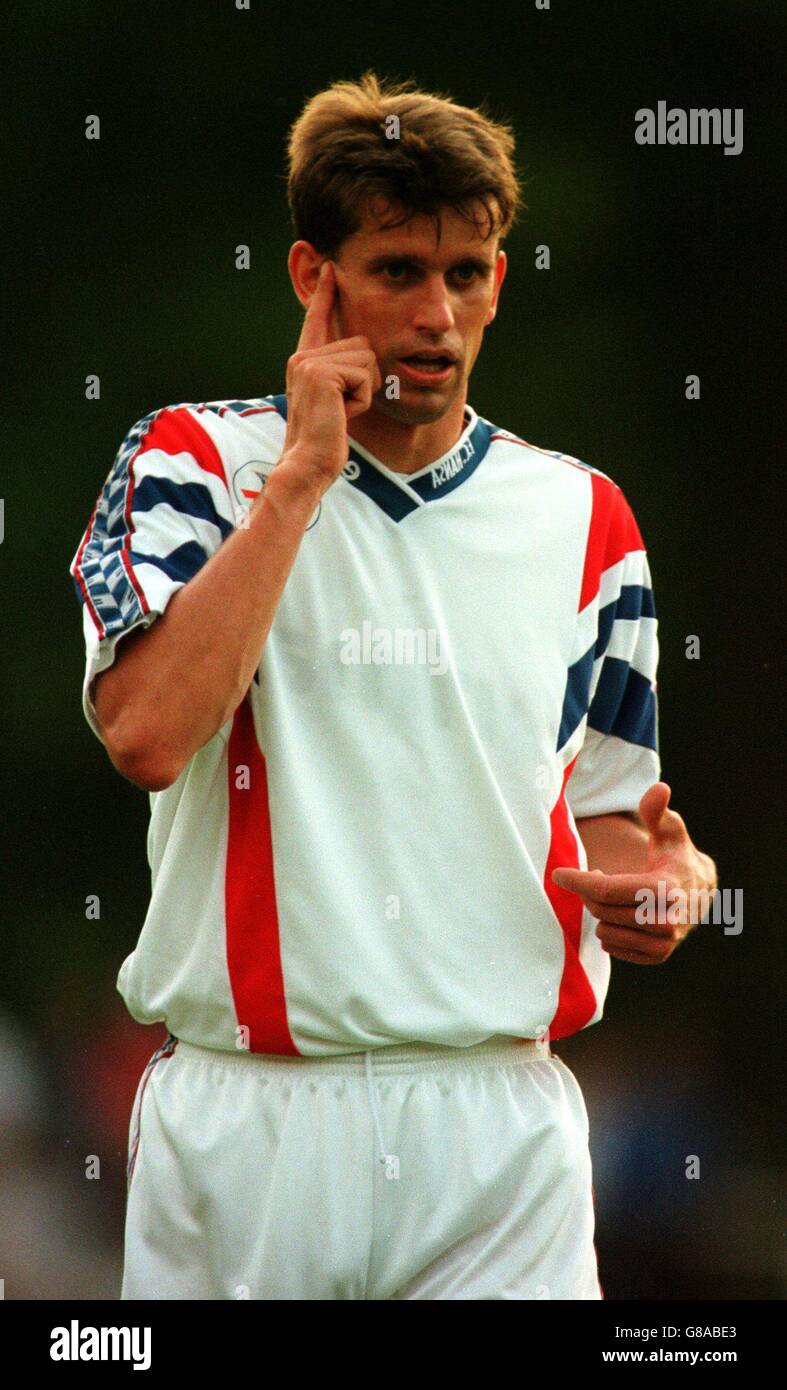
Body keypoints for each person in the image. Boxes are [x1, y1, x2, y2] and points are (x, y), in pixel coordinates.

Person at [69, 71, 717, 1300]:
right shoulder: (193, 462)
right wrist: (303, 476)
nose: (435, 312)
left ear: (498, 284)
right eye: (397, 271)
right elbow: (149, 733)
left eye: (463, 274)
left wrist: (671, 884)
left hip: (497, 1128)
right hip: (246, 1115)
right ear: (314, 276)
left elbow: (617, 820)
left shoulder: (583, 516)